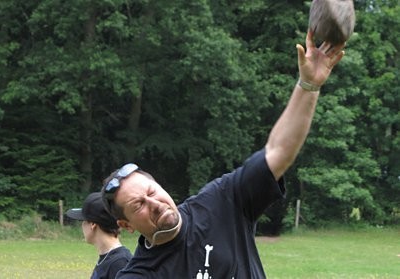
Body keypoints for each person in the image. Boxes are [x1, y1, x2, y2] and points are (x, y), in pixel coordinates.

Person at [100, 30, 345, 278]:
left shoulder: (220, 203)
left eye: (151, 192)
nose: (153, 203)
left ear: (160, 187)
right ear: (125, 225)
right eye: (138, 205)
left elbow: (278, 151)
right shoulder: (140, 275)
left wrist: (309, 85)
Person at [65, 192, 132, 279]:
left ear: (93, 224)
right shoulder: (108, 258)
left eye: (83, 221)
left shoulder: (120, 263)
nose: (82, 226)